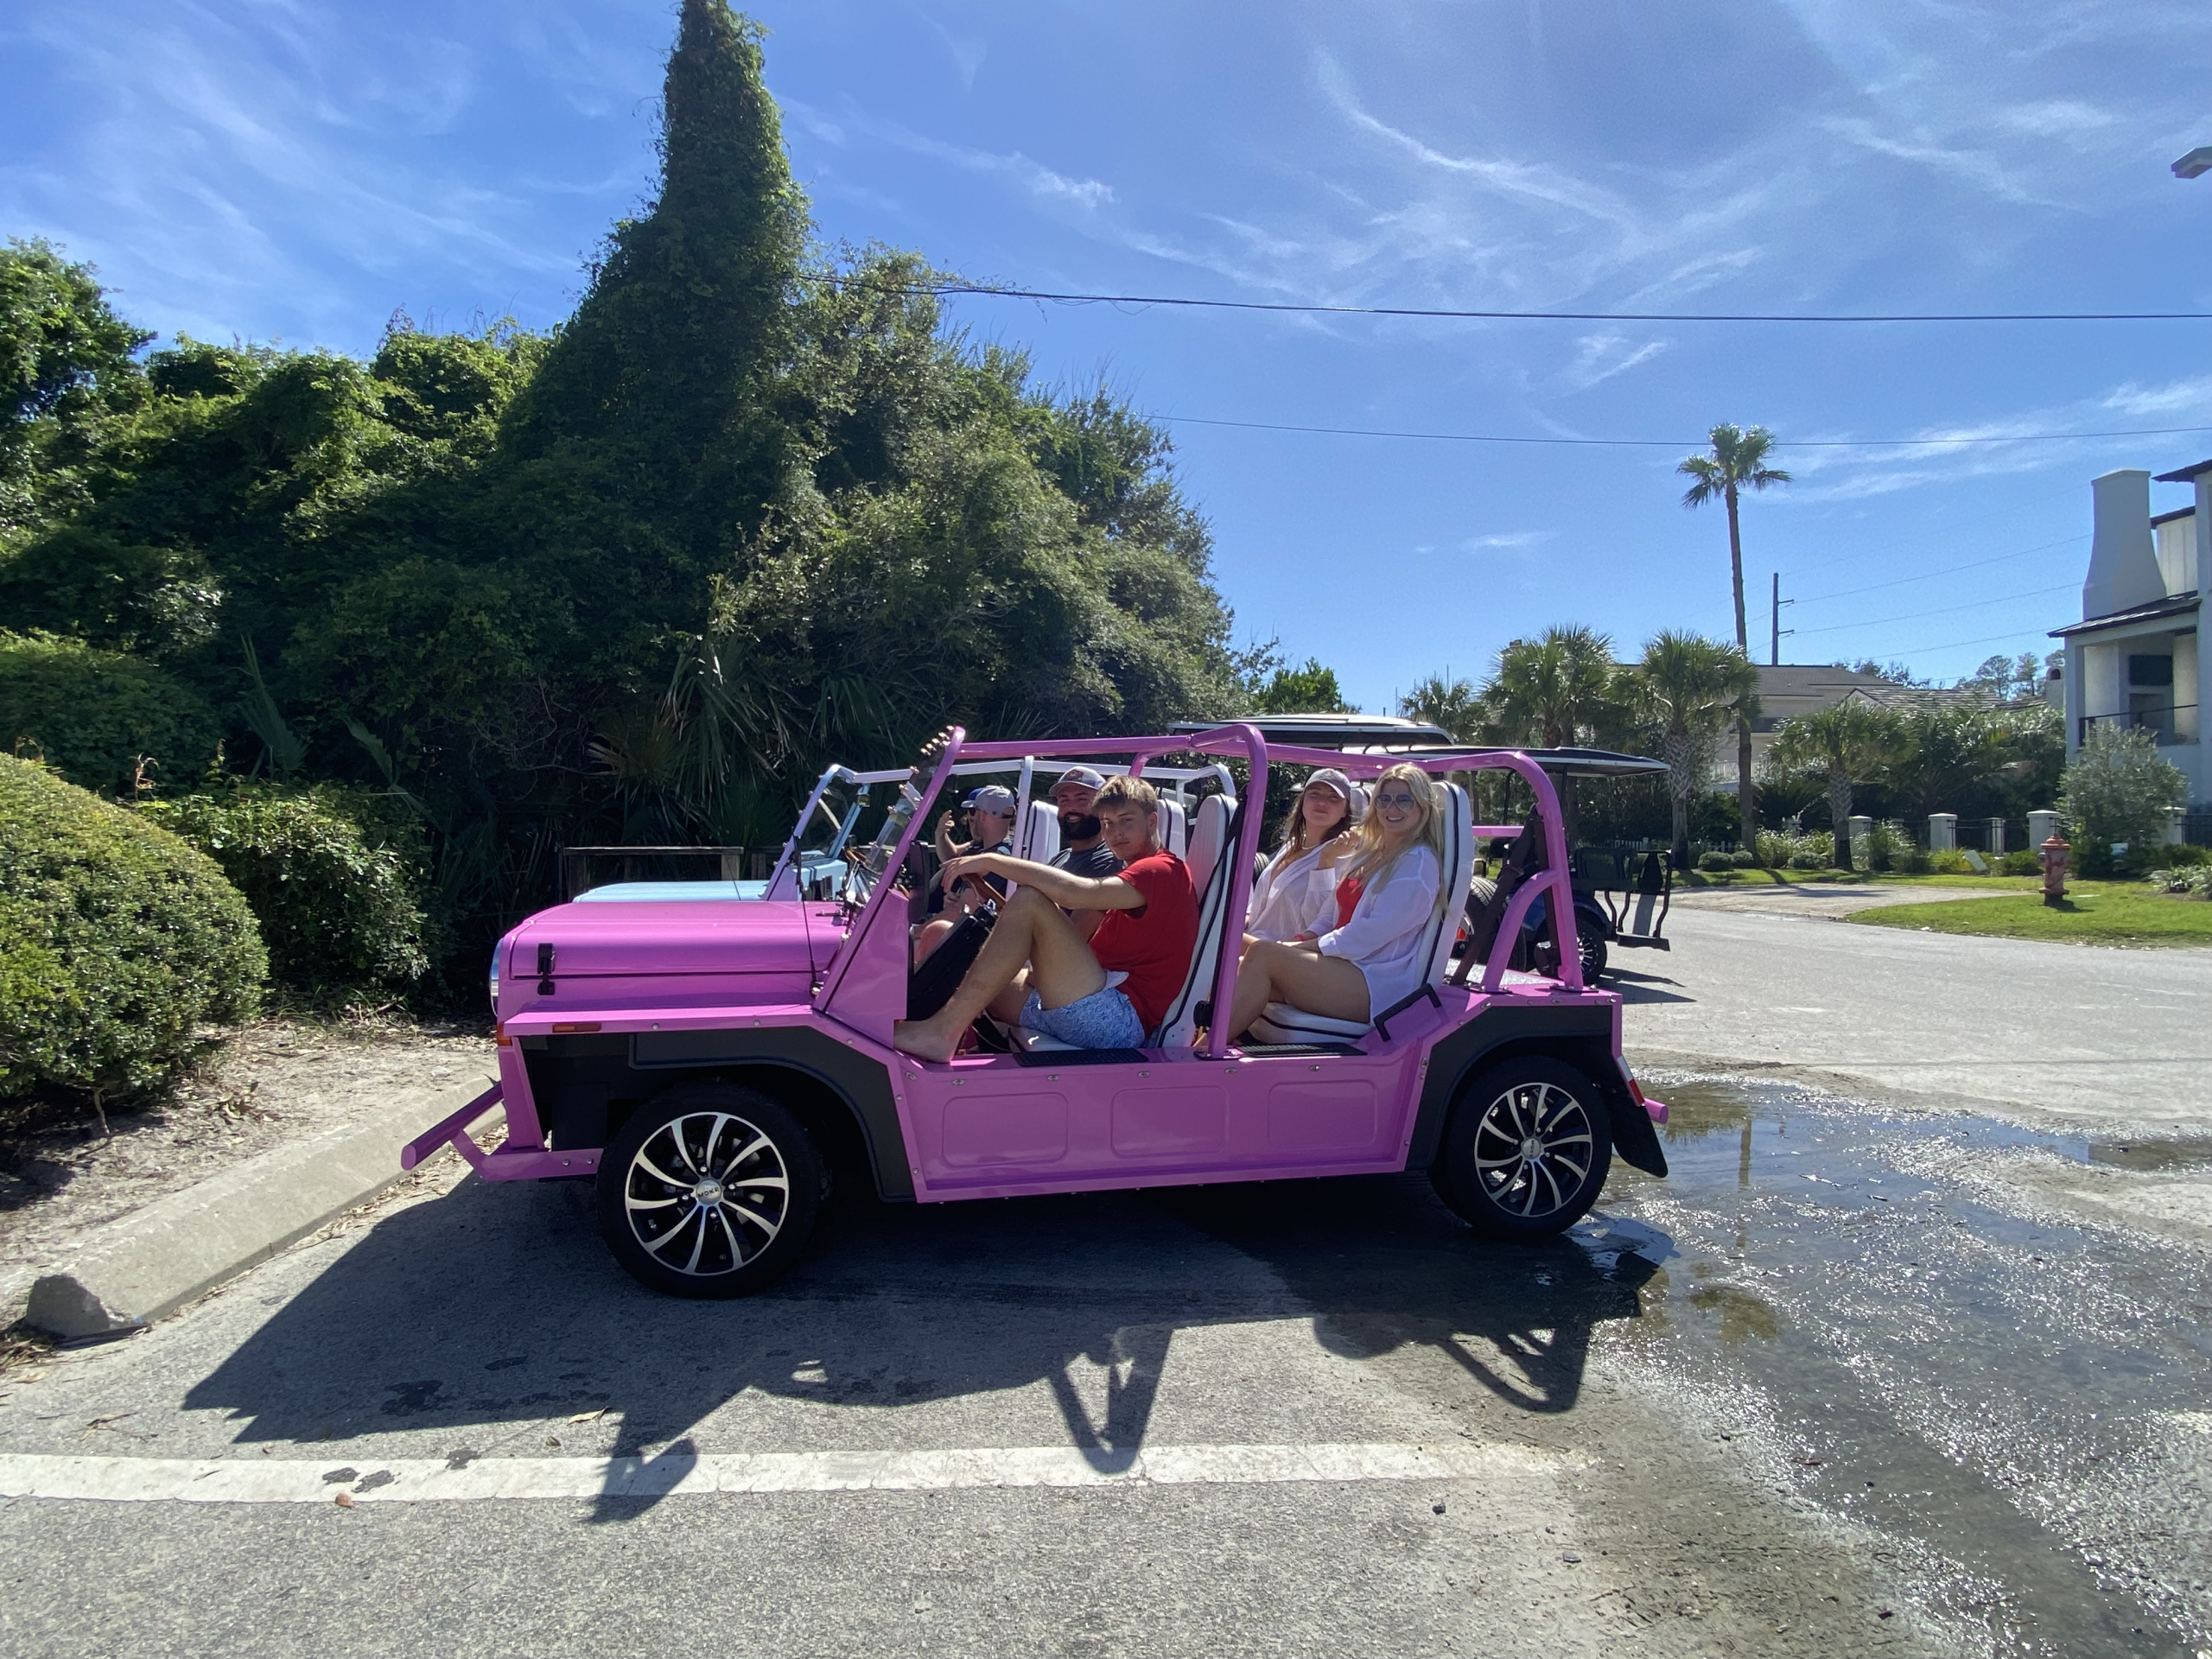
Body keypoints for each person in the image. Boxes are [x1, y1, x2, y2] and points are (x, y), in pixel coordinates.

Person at [893, 775, 1198, 1062]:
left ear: (1152, 821)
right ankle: (916, 1026)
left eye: (1126, 821)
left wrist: (993, 860)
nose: (1115, 832)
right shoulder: (1135, 874)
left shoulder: (1160, 870)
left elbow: (1075, 894)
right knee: (969, 962)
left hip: (1118, 1021)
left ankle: (942, 1034)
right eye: (1107, 823)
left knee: (1029, 899)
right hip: (1092, 1002)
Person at [1219, 763, 1447, 1043]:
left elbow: (1367, 935)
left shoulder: (1418, 861)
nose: (1392, 808)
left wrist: (1300, 947)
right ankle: (1204, 1050)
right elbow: (1330, 914)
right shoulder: (1372, 853)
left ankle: (1201, 1060)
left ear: (1422, 807)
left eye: (1404, 800)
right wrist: (1301, 943)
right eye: (1384, 799)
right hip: (1345, 969)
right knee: (1234, 968)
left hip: (1374, 984)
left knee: (1263, 955)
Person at [1245, 767, 1360, 944]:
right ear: (1303, 801)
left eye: (1333, 798)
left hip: (1281, 956)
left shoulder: (1343, 857)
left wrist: (1326, 863)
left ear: (1345, 810)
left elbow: (1319, 923)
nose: (1322, 803)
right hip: (1251, 944)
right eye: (1315, 794)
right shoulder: (1290, 845)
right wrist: (1245, 918)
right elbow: (1266, 901)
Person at [914, 783, 1018, 964]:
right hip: (962, 936)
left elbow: (963, 910)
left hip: (969, 946)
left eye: (974, 811)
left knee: (908, 944)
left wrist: (913, 931)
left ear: (984, 815)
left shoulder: (997, 858)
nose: (971, 818)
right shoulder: (991, 852)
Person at [1044, 766, 1123, 942]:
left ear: (1104, 809)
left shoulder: (1110, 861)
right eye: (1063, 801)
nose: (1071, 808)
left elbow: (1071, 940)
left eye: (1082, 800)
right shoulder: (1061, 858)